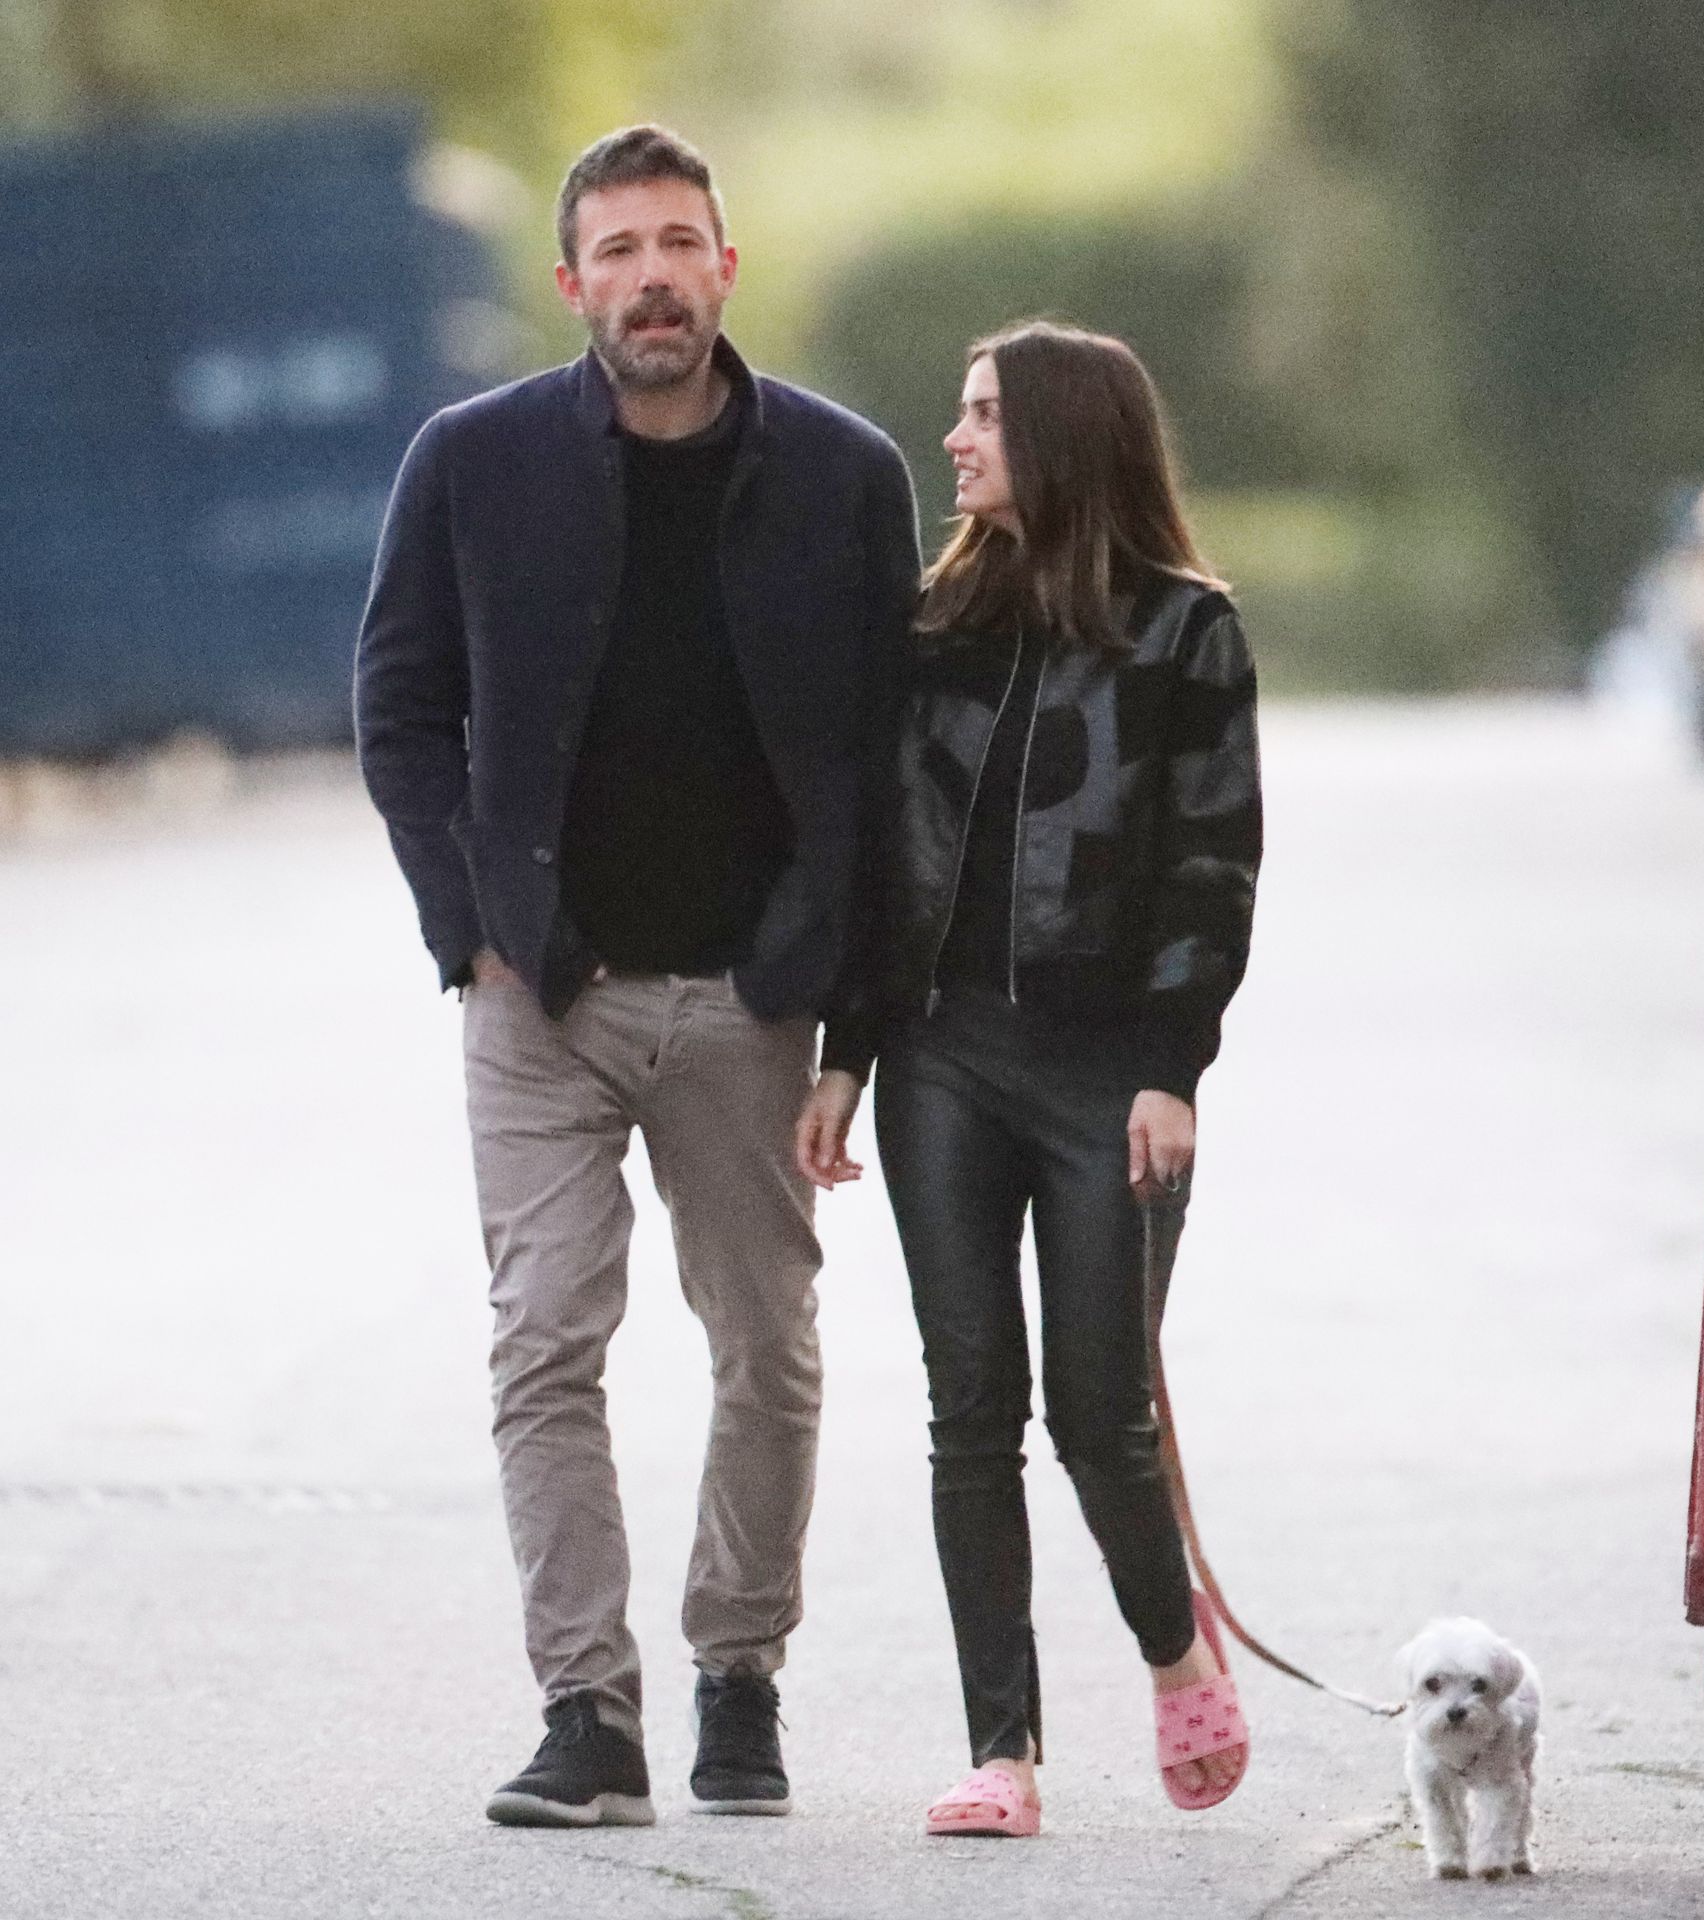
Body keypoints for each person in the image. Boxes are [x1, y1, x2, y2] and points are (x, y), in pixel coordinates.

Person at [355, 124, 920, 1828]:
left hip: (752, 998)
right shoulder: (471, 462)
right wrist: (470, 929)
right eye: (618, 250)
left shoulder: (843, 474)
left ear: (725, 268)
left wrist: (851, 1025)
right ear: (572, 283)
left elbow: (887, 764)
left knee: (768, 1347)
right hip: (540, 992)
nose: (653, 277)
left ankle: (739, 1677)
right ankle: (586, 1714)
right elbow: (401, 709)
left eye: (679, 244)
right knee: (544, 1343)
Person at [797, 321, 1263, 1837]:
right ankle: (1002, 1754)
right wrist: (848, 1055)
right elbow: (884, 862)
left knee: (1099, 1412)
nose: (956, 439)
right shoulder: (933, 625)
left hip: (1110, 1073)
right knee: (971, 1403)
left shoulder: (1187, 633)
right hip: (943, 1058)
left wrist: (1172, 1065)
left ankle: (1173, 1647)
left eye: (985, 414)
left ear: (1064, 434)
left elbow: (1214, 861)